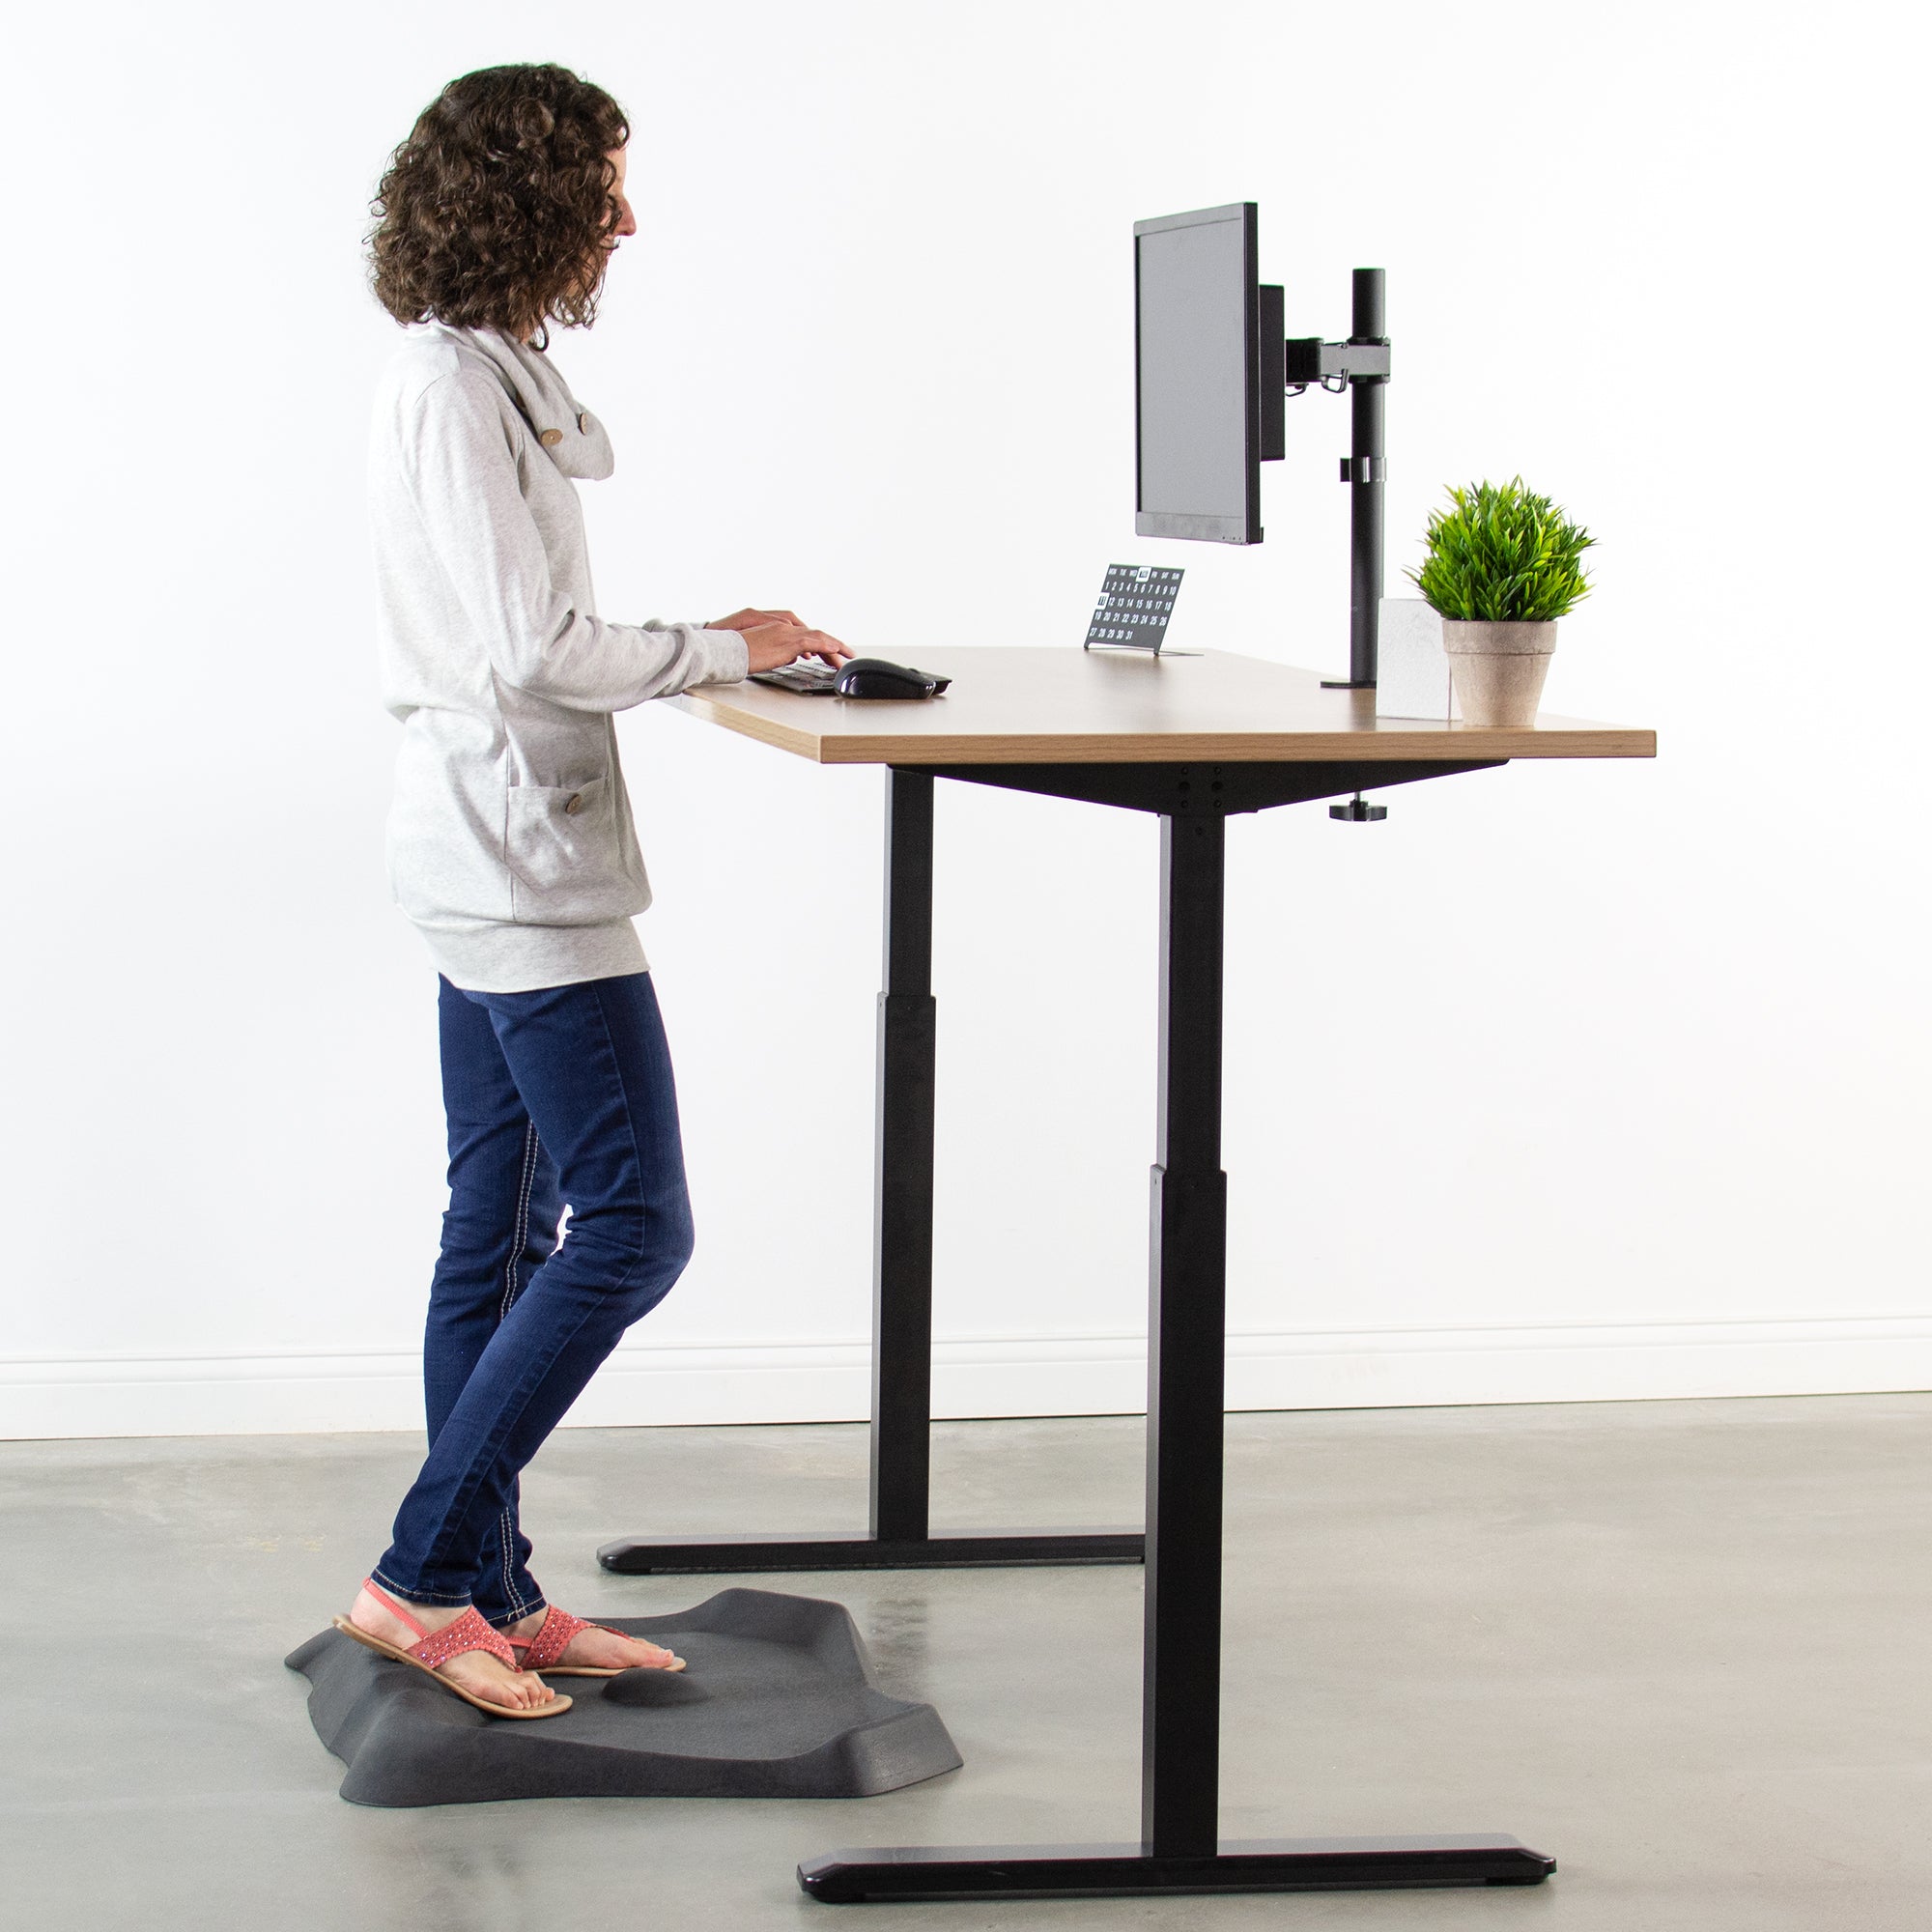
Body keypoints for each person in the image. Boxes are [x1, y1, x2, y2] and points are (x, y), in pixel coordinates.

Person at [336, 63, 849, 1717]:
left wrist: (711, 647)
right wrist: (725, 649)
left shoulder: (483, 370)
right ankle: (419, 1576)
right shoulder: (447, 387)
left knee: (501, 1233)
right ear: (532, 197)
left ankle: (489, 1589)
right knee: (634, 1226)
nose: (627, 218)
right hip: (517, 873)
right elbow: (534, 648)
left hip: (486, 852)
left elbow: (533, 624)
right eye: (605, 186)